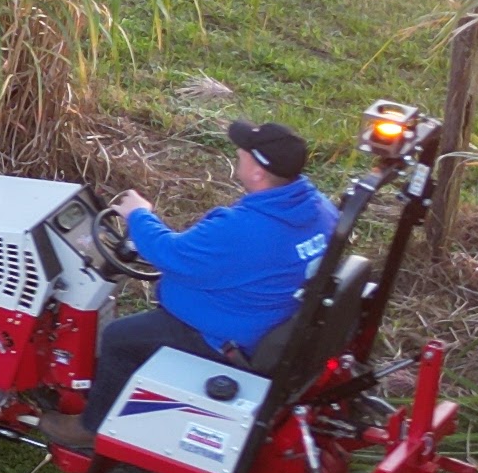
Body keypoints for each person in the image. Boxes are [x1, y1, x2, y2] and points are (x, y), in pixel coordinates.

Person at [83, 119, 338, 428]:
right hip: (272, 317)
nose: (237, 154)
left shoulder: (242, 230)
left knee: (120, 337)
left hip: (229, 338)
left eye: (243, 153)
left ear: (258, 172)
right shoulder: (322, 209)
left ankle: (91, 426)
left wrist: (138, 214)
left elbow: (168, 253)